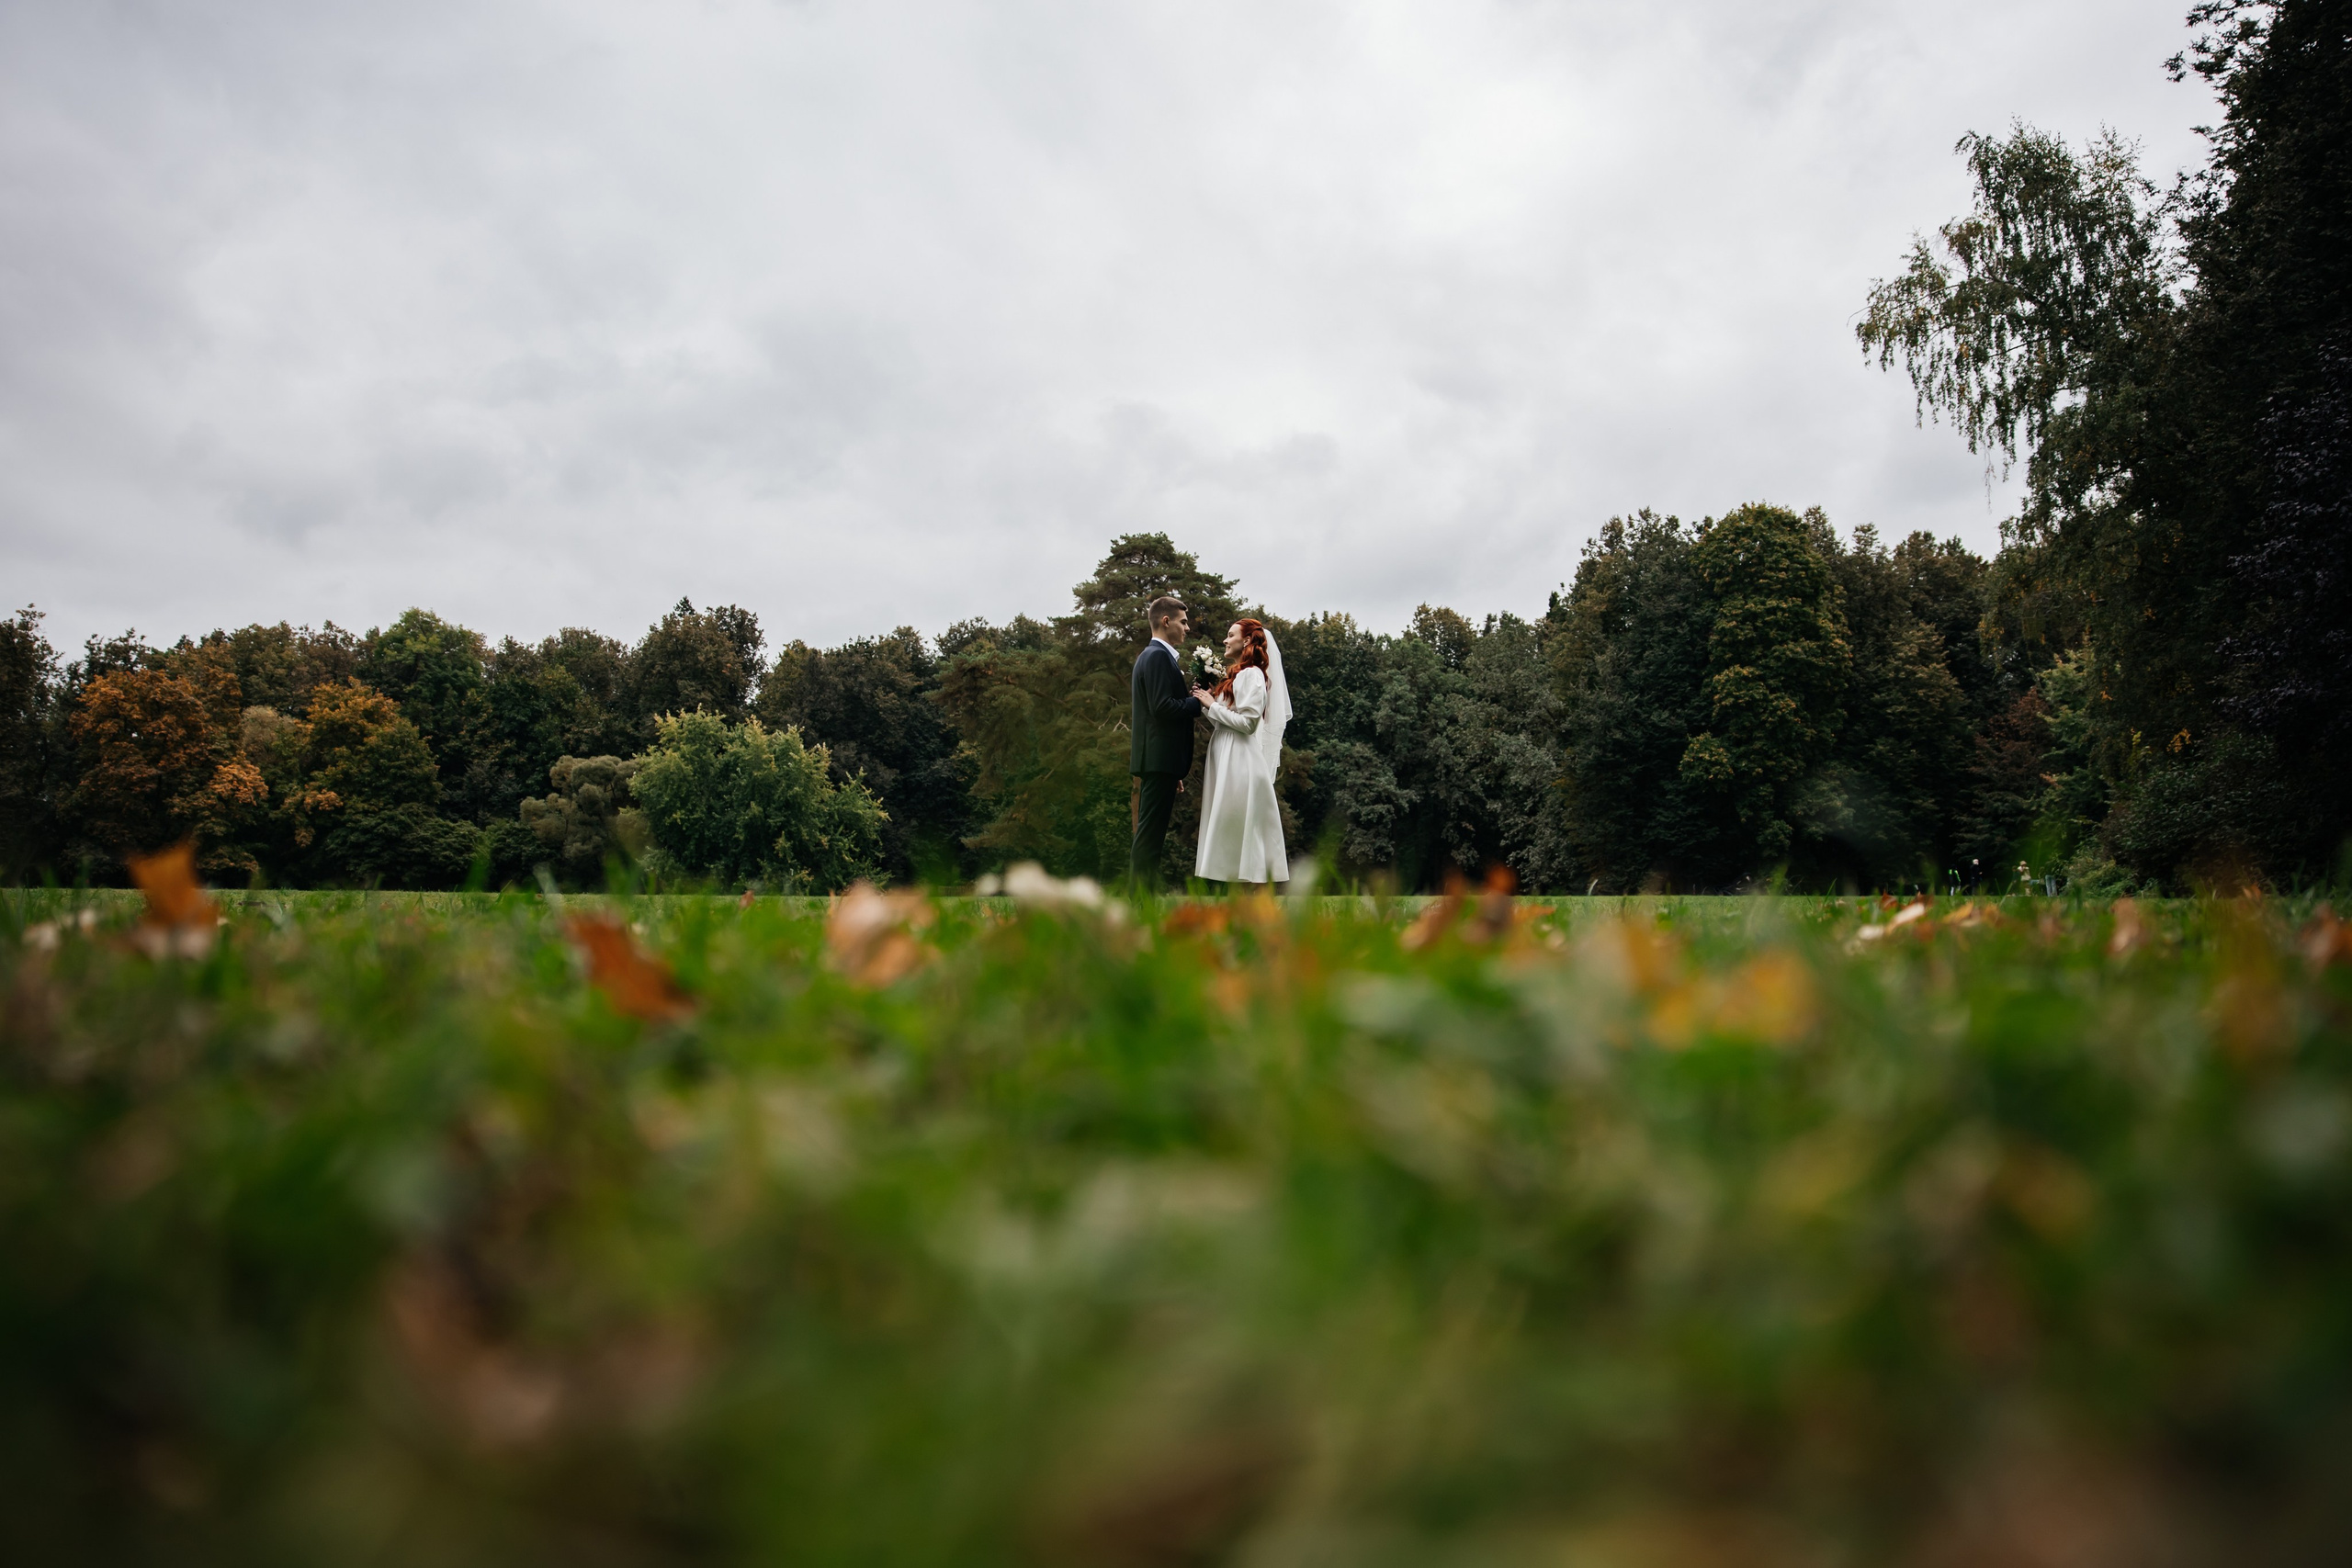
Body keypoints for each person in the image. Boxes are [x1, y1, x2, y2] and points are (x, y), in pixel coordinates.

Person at [1190, 617, 1290, 889]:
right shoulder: (1238, 674)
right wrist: (1206, 703)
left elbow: (1248, 724)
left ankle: (1254, 898)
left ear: (1246, 640)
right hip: (1225, 753)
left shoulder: (1254, 674)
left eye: (1230, 634)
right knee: (1230, 827)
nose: (1225, 640)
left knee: (1243, 825)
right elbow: (1223, 720)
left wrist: (1213, 705)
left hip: (1240, 759)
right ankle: (1238, 899)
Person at [1128, 595, 1201, 893]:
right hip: (1158, 760)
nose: (1187, 628)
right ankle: (1140, 900)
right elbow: (1162, 708)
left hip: (1160, 761)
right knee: (1150, 836)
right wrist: (1196, 703)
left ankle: (1140, 899)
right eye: (1183, 622)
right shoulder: (1157, 656)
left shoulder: (1152, 656)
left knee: (1151, 834)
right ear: (1166, 621)